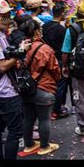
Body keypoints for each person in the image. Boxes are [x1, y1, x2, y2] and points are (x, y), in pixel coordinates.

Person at [0, 0, 31, 160]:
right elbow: (2, 66)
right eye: (1, 15)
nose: (6, 18)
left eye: (7, 14)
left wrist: (17, 50)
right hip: (6, 92)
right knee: (16, 131)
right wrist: (21, 52)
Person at [20, 19, 61, 155]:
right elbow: (54, 69)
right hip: (44, 87)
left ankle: (29, 145)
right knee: (44, 119)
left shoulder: (20, 48)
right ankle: (44, 146)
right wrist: (58, 79)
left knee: (28, 118)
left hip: (25, 89)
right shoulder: (45, 49)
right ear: (37, 31)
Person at [42, 2, 69, 119]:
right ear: (62, 13)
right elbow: (65, 48)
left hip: (46, 59)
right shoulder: (62, 30)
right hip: (58, 59)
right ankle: (55, 110)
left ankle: (48, 108)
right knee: (61, 85)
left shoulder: (44, 27)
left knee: (48, 83)